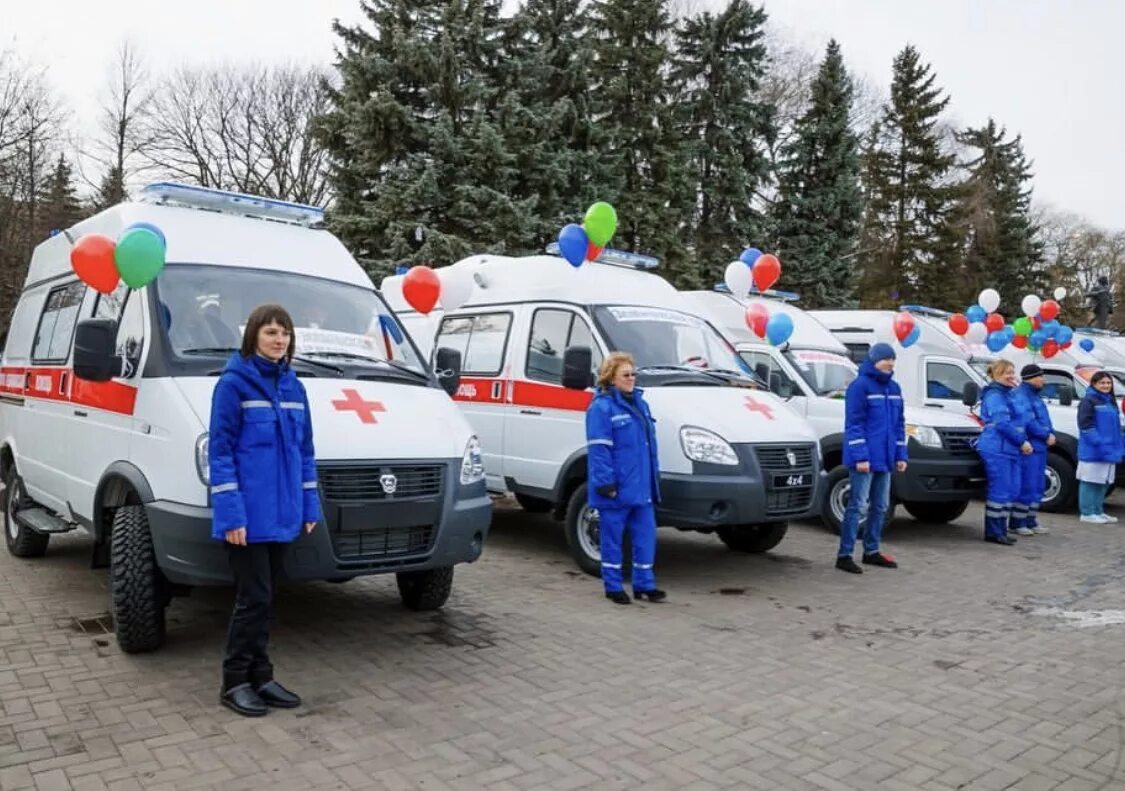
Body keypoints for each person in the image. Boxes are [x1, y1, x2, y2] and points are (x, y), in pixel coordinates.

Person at [209, 304, 321, 716]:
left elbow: (305, 452)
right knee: (252, 598)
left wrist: (310, 504)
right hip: (248, 518)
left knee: (267, 597)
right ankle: (234, 680)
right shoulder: (233, 385)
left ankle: (261, 676)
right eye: (271, 332)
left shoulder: (294, 387)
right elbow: (219, 454)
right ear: (253, 335)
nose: (279, 340)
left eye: (285, 334)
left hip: (284, 514)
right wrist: (232, 515)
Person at [586, 352, 665, 604]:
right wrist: (605, 484)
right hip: (616, 489)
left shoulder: (641, 404)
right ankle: (612, 586)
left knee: (645, 537)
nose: (632, 378)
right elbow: (599, 450)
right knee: (612, 540)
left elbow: (648, 448)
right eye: (626, 375)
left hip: (641, 488)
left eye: (634, 374)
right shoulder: (601, 407)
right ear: (611, 377)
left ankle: (645, 585)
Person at [836, 342, 906, 574]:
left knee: (881, 506)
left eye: (893, 360)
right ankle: (844, 555)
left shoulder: (894, 388)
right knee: (857, 506)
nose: (890, 364)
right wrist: (860, 457)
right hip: (865, 459)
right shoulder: (859, 386)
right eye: (886, 360)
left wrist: (900, 455)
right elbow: (854, 424)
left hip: (885, 458)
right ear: (874, 360)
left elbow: (898, 425)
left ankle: (871, 551)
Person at [977, 359, 1032, 546]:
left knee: (1012, 489)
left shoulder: (1008, 394)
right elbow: (1001, 424)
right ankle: (994, 531)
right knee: (1000, 489)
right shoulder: (994, 395)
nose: (1011, 376)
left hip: (1010, 448)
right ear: (996, 374)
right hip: (997, 447)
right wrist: (1021, 441)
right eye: (1006, 372)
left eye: (1012, 371)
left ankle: (1001, 528)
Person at [1009, 365, 1056, 536]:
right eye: (1040, 377)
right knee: (1027, 484)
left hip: (1040, 447)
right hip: (1030, 447)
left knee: (1037, 485)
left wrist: (1051, 432)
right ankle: (1017, 522)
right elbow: (1027, 421)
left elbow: (1044, 419)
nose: (1043, 380)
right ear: (1031, 378)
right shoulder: (1020, 396)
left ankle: (1030, 519)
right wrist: (1046, 434)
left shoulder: (1035, 396)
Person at [1077, 370, 1124, 523]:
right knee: (1090, 481)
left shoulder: (1110, 401)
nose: (1106, 385)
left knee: (1103, 482)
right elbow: (1085, 426)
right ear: (1094, 384)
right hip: (1094, 449)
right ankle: (1087, 512)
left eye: (1108, 383)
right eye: (1102, 383)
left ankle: (1098, 510)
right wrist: (1098, 442)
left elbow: (1116, 427)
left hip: (1110, 450)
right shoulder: (1088, 401)